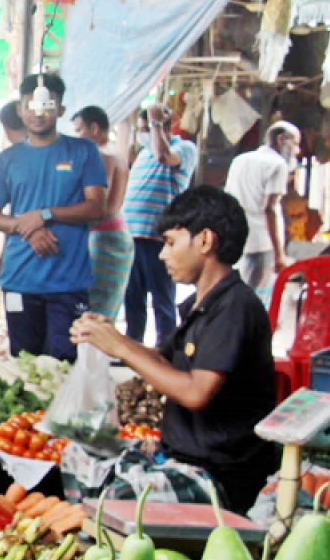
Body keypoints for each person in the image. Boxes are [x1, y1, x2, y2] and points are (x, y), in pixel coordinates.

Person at [72, 186, 277, 513]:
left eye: (170, 243)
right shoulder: (203, 304)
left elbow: (196, 393)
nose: (162, 255)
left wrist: (121, 348)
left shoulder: (235, 307)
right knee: (75, 454)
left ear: (205, 241)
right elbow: (161, 361)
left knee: (113, 500)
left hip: (216, 474)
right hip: (176, 457)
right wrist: (107, 335)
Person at [0, 73, 107, 361]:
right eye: (30, 106)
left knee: (65, 362)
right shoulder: (6, 160)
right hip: (19, 279)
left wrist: (45, 215)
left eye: (47, 106)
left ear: (60, 110)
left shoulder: (84, 151)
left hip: (68, 282)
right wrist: (29, 227)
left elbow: (95, 207)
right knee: (24, 362)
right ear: (20, 110)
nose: (38, 114)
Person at [122, 104, 199, 346]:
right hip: (131, 236)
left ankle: (166, 350)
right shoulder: (144, 154)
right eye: (143, 129)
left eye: (148, 128)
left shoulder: (185, 149)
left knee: (162, 300)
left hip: (158, 239)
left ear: (164, 127)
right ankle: (133, 348)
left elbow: (164, 156)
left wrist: (155, 123)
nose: (144, 133)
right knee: (132, 299)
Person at [72, 105, 134, 322]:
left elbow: (97, 202)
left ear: (94, 128)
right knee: (106, 308)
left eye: (79, 130)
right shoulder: (118, 155)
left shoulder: (100, 155)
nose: (77, 136)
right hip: (117, 233)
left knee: (94, 310)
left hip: (102, 238)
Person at [225, 121, 298, 289]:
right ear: (281, 139)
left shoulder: (239, 160)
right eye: (295, 144)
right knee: (255, 296)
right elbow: (269, 209)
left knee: (235, 291)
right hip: (261, 244)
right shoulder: (278, 165)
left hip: (236, 238)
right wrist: (279, 255)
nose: (297, 150)